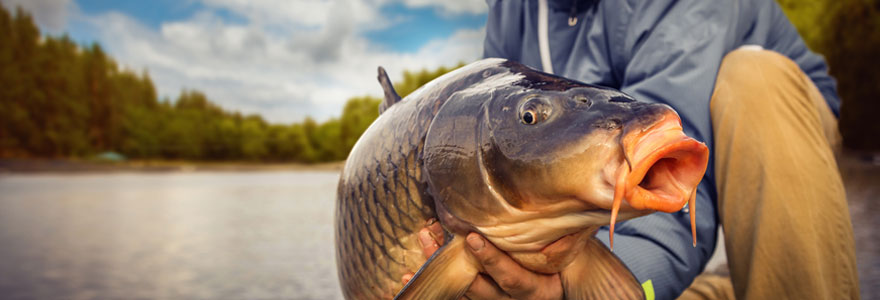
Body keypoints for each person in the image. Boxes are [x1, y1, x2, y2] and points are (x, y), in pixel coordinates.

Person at [412, 0, 860, 299]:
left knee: (754, 80)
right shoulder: (511, 10)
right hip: (609, 150)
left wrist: (576, 285)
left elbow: (673, 177)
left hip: (778, 124)